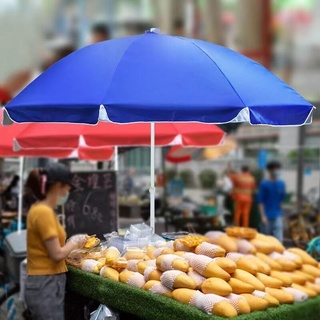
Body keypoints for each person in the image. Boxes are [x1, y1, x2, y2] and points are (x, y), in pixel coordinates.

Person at [24, 163, 89, 319]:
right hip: (45, 282)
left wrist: (71, 252)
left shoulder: (42, 210)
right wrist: (74, 242)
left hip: (45, 281)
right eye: (67, 188)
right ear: (58, 186)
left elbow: (49, 249)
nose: (68, 193)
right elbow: (56, 254)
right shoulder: (43, 212)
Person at [258, 160, 286, 243]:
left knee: (279, 240)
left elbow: (281, 200)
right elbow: (260, 201)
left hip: (277, 215)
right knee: (266, 240)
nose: (277, 171)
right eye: (275, 169)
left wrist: (282, 213)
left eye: (278, 169)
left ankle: (280, 255)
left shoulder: (281, 184)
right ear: (270, 171)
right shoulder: (264, 184)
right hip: (266, 216)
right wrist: (263, 216)